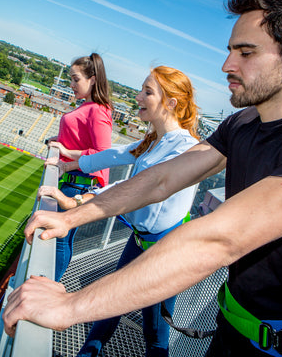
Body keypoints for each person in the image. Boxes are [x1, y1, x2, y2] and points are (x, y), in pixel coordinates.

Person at [3, 0, 282, 357]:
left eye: (245, 53)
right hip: (232, 328)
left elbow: (222, 239)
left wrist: (68, 307)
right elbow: (162, 178)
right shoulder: (243, 124)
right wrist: (73, 218)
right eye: (230, 50)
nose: (226, 66)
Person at [39, 66, 200, 357]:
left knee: (155, 334)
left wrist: (78, 201)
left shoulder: (186, 150)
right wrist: (71, 163)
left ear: (172, 103)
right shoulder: (155, 140)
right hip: (140, 242)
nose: (137, 97)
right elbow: (113, 154)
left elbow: (136, 188)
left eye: (147, 92)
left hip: (165, 254)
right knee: (109, 307)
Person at [49, 52, 113, 281]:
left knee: (59, 239)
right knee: (61, 238)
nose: (72, 84)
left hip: (78, 184)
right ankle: (49, 285)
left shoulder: (97, 109)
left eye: (76, 79)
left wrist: (66, 152)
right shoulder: (89, 107)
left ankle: (50, 285)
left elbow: (102, 153)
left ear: (93, 79)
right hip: (73, 180)